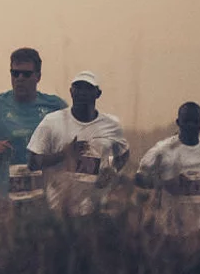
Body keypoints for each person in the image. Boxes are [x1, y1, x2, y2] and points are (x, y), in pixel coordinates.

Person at [0, 48, 66, 205]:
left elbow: (75, 140)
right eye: (15, 73)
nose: (19, 78)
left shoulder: (55, 106)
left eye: (26, 74)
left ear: (38, 76)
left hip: (46, 200)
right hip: (5, 200)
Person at [26, 71, 129, 218]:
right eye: (78, 88)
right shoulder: (52, 122)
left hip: (95, 212)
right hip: (58, 211)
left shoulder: (111, 125)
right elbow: (32, 162)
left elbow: (123, 153)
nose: (82, 93)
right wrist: (64, 154)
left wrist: (111, 170)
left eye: (88, 89)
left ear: (98, 93)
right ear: (71, 92)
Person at [135, 103, 200, 239]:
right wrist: (163, 184)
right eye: (187, 121)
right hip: (169, 231)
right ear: (178, 122)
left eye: (195, 122)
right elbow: (139, 178)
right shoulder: (163, 149)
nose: (191, 126)